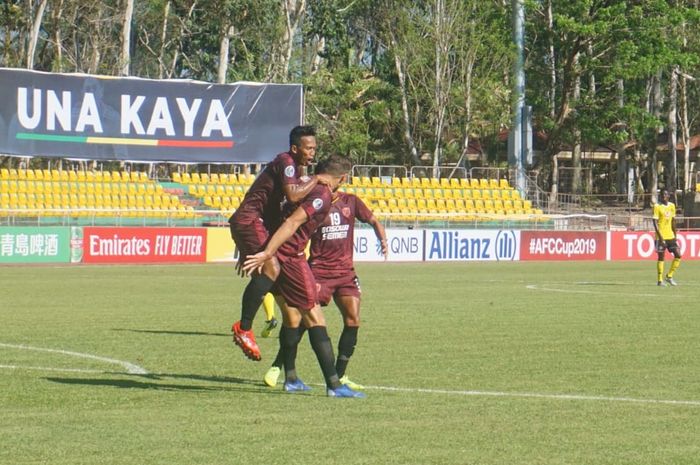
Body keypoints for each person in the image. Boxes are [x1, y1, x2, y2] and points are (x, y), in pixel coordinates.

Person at [242, 154, 365, 398]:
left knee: (292, 317)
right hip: (290, 257)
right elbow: (292, 223)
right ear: (343, 178)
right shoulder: (321, 193)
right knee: (314, 317)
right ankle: (334, 385)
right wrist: (268, 252)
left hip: (282, 254)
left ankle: (290, 377)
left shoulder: (304, 184)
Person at [263, 188, 388, 390]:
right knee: (304, 321)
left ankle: (340, 374)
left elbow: (373, 219)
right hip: (319, 272)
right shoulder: (315, 204)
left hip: (346, 273)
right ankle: (279, 366)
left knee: (353, 320)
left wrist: (382, 238)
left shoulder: (352, 201)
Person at [229, 125, 328, 361]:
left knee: (273, 276)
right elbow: (294, 195)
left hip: (255, 225)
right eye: (308, 148)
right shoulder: (286, 161)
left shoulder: (296, 170)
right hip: (250, 220)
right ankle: (244, 329)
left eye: (315, 148)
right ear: (295, 148)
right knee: (271, 267)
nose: (313, 152)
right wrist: (316, 179)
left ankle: (284, 366)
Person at [652, 188, 681, 286]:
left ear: (668, 196)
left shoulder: (672, 206)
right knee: (661, 257)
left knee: (678, 255)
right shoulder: (657, 206)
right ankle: (660, 280)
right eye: (661, 194)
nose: (663, 196)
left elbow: (673, 221)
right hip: (660, 237)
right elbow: (655, 223)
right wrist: (660, 238)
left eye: (665, 194)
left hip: (670, 236)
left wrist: (675, 235)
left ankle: (669, 276)